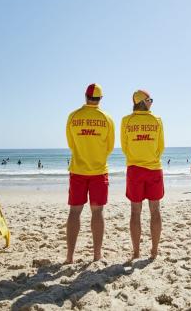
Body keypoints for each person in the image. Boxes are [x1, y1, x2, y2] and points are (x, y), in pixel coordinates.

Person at [65, 83, 115, 263]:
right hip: (98, 170)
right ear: (100, 99)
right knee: (97, 212)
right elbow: (109, 147)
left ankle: (70, 256)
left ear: (85, 97)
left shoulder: (73, 116)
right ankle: (96, 255)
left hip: (78, 170)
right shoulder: (107, 118)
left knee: (74, 212)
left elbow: (71, 144)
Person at [121, 89, 165, 259]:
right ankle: (154, 250)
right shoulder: (157, 120)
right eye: (150, 100)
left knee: (135, 211)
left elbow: (124, 147)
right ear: (143, 101)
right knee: (155, 210)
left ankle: (136, 252)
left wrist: (136, 157)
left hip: (134, 169)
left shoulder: (126, 121)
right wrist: (150, 157)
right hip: (154, 168)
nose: (152, 102)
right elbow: (161, 146)